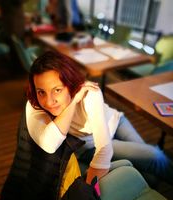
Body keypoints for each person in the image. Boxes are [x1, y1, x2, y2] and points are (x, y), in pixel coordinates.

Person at [26, 50, 173, 187]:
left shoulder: (89, 93)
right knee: (153, 167)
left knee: (154, 159)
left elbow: (105, 149)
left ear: (69, 84)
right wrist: (73, 102)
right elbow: (50, 144)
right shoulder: (36, 103)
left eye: (57, 90)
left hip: (115, 122)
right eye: (41, 92)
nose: (49, 101)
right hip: (90, 144)